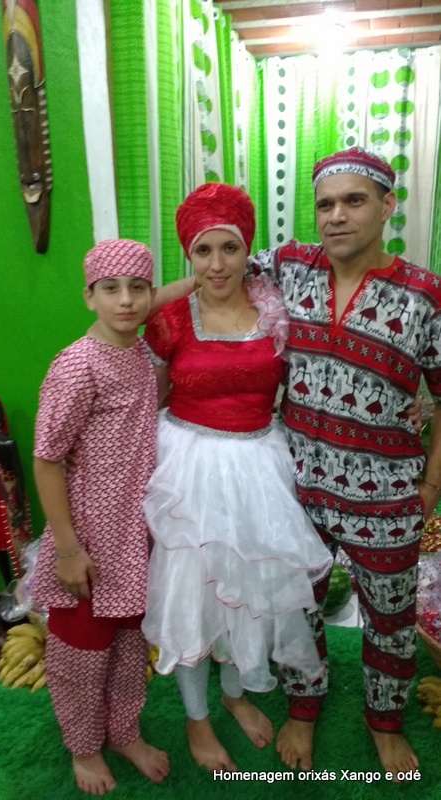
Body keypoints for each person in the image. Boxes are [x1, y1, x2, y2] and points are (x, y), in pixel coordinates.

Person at [249, 147, 441, 780]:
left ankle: (384, 721)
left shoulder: (426, 296)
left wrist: (430, 484)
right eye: (325, 204)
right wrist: (129, 311)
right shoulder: (289, 267)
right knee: (296, 605)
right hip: (298, 487)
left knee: (390, 619)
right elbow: (213, 263)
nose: (336, 216)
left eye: (354, 201)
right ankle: (303, 706)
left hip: (386, 495)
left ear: (387, 206)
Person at [141, 183, 334, 772]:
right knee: (193, 597)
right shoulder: (170, 317)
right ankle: (197, 719)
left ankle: (233, 694)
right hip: (189, 468)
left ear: (248, 250)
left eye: (230, 248)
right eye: (203, 251)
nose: (218, 264)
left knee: (247, 594)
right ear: (188, 256)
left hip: (258, 467)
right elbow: (149, 398)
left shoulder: (274, 307)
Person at [31, 239, 170, 796]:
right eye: (111, 289)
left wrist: (194, 282)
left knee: (130, 644)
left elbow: (161, 296)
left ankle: (124, 730)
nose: (126, 300)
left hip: (135, 533)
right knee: (82, 651)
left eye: (138, 288)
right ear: (89, 296)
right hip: (89, 536)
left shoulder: (139, 352)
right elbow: (46, 461)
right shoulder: (77, 366)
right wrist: (68, 549)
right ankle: (84, 746)